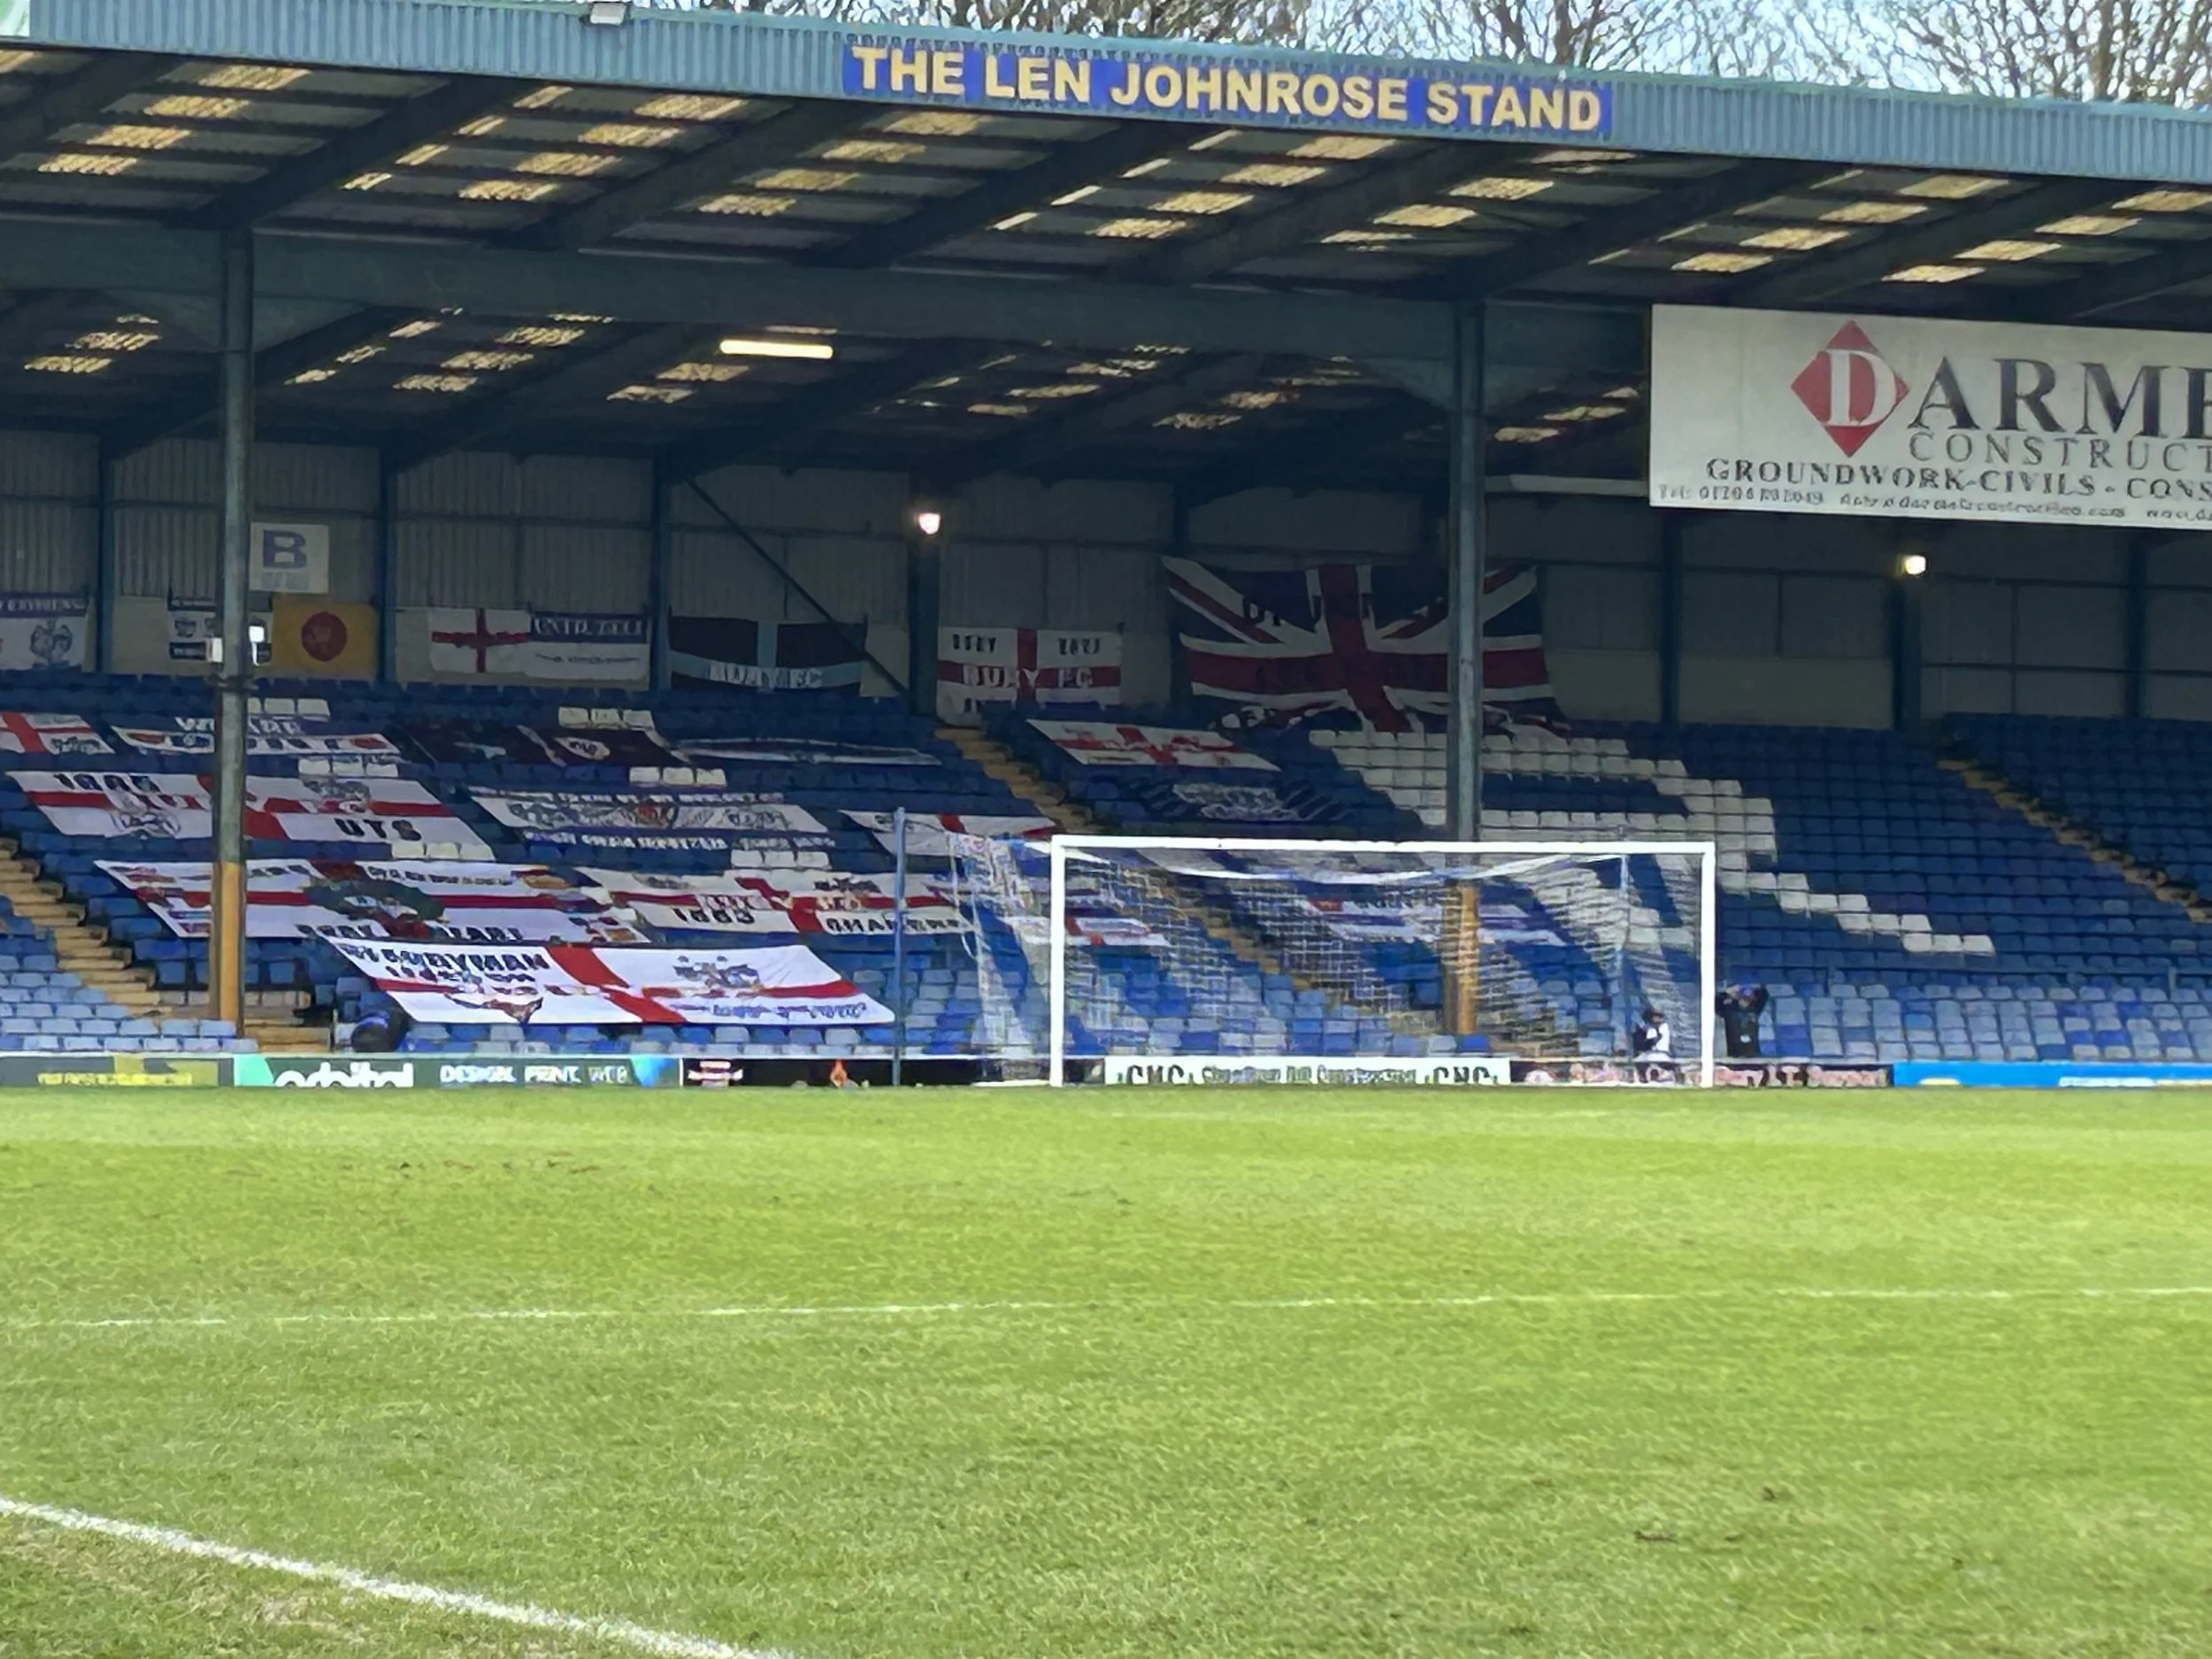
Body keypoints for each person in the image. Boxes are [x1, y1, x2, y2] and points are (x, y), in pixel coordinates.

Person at [1716, 984, 1771, 1059]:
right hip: (1735, 1056)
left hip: (1753, 1054)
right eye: (1744, 998)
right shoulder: (1729, 1011)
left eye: (1749, 998)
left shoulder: (1755, 1009)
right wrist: (1727, 993)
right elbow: (1715, 1001)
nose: (1746, 1001)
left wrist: (1744, 986)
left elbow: (1764, 994)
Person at [1630, 1004, 1672, 1083]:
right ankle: (1643, 1078)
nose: (1656, 1019)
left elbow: (1660, 1041)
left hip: (1662, 1055)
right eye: (1654, 1016)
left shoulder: (1664, 1027)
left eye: (1658, 1017)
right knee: (1639, 1062)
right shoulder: (1645, 1028)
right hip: (1648, 1055)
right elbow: (1641, 1044)